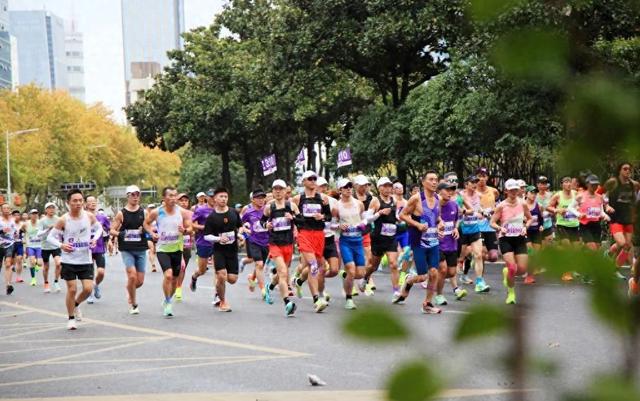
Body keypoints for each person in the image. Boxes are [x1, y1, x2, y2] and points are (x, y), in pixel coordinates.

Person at [47, 189, 103, 330]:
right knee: (72, 289)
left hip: (85, 259)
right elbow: (50, 237)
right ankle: (71, 318)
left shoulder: (89, 216)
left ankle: (76, 304)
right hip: (69, 260)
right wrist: (61, 245)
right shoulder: (64, 219)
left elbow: (99, 228)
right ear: (68, 203)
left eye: (80, 200)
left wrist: (94, 239)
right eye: (75, 201)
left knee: (88, 289)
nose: (78, 203)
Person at [394, 170, 443, 314]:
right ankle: (409, 280)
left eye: (436, 179)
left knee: (434, 273)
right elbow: (402, 215)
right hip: (418, 241)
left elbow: (437, 218)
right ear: (423, 182)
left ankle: (427, 303)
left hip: (433, 241)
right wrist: (417, 225)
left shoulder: (438, 199)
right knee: (422, 276)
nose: (434, 182)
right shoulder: (416, 199)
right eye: (431, 179)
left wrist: (440, 224)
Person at [144, 187, 192, 318]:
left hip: (177, 248)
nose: (173, 198)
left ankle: (167, 300)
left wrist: (185, 230)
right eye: (170, 196)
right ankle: (169, 302)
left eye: (175, 196)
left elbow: (190, 227)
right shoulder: (156, 212)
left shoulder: (182, 212)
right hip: (162, 249)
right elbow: (146, 223)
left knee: (175, 279)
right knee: (169, 275)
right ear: (164, 198)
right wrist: (151, 232)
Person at [291, 170, 332, 313]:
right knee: (313, 265)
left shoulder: (323, 199)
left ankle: (299, 282)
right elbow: (290, 215)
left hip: (319, 235)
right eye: (310, 179)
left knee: (319, 266)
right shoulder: (297, 199)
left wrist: (322, 217)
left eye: (315, 178)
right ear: (304, 182)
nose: (313, 181)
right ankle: (317, 300)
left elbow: (329, 217)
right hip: (304, 234)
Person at [490, 179, 533, 305]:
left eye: (516, 189)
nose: (514, 192)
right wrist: (499, 228)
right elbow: (491, 222)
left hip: (519, 238)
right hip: (505, 239)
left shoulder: (523, 204)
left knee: (522, 269)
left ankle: (506, 273)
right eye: (511, 190)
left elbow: (530, 219)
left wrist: (526, 227)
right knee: (512, 268)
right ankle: (511, 293)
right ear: (506, 191)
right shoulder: (501, 206)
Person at [202, 187, 244, 312]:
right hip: (219, 250)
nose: (224, 199)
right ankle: (222, 301)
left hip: (232, 250)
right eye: (221, 196)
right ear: (214, 199)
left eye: (225, 197)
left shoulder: (233, 212)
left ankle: (218, 287)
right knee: (221, 275)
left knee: (232, 279)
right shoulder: (211, 217)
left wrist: (240, 235)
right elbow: (206, 236)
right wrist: (218, 239)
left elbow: (240, 227)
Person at [262, 179, 300, 315]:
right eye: (275, 189)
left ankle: (270, 286)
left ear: (285, 191)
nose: (278, 191)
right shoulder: (269, 207)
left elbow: (301, 221)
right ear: (272, 191)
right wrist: (266, 225)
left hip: (288, 244)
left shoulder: (292, 206)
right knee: (283, 273)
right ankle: (287, 303)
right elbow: (262, 221)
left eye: (280, 189)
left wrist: (293, 218)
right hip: (275, 244)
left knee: (280, 273)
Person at [110, 185, 148, 314]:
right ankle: (134, 304)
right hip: (127, 249)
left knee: (140, 281)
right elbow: (112, 230)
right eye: (133, 194)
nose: (135, 197)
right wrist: (121, 234)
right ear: (127, 196)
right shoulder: (122, 213)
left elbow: (148, 227)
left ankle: (129, 289)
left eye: (137, 194)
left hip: (141, 248)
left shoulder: (144, 212)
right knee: (132, 275)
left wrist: (147, 231)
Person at [334, 178, 370, 310]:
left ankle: (349, 278)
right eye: (345, 187)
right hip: (346, 242)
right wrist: (338, 225)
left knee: (359, 273)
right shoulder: (336, 206)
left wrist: (363, 224)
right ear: (340, 190)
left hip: (358, 241)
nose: (349, 189)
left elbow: (366, 220)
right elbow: (331, 225)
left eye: (350, 186)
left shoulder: (359, 204)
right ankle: (349, 299)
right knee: (351, 269)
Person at [603, 163, 640, 276]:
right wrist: (607, 206)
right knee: (623, 244)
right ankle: (611, 259)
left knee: (627, 246)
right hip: (616, 219)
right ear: (619, 170)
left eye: (629, 169)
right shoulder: (613, 183)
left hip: (628, 219)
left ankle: (613, 266)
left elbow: (636, 201)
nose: (627, 171)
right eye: (625, 169)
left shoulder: (634, 184)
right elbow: (602, 196)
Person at [365, 177, 399, 299]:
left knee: (393, 264)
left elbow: (398, 214)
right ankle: (365, 278)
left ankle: (396, 291)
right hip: (378, 238)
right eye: (385, 186)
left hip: (391, 238)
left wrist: (399, 218)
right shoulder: (375, 201)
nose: (388, 188)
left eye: (389, 186)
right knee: (373, 266)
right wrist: (379, 213)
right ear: (379, 188)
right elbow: (367, 219)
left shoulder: (395, 201)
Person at [436, 182, 467, 304]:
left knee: (452, 272)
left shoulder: (454, 205)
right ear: (439, 191)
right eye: (447, 190)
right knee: (443, 270)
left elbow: (456, 221)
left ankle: (433, 278)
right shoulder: (433, 206)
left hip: (451, 244)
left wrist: (455, 229)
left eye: (452, 190)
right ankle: (439, 295)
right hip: (437, 244)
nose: (450, 192)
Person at [459, 176, 491, 292]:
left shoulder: (478, 195)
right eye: (472, 182)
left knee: (478, 255)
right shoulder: (460, 196)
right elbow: (460, 211)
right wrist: (471, 213)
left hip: (474, 229)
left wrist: (483, 212)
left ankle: (479, 282)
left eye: (475, 182)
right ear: (466, 184)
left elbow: (479, 209)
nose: (474, 184)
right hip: (462, 229)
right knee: (460, 257)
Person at [548, 176, 581, 281]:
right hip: (562, 225)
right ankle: (565, 273)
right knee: (568, 249)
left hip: (574, 225)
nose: (568, 184)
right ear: (562, 184)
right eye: (566, 182)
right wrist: (557, 210)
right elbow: (548, 207)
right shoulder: (558, 195)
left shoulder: (575, 194)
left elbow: (582, 203)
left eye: (570, 182)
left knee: (576, 250)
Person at [242, 189, 270, 299]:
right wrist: (245, 229)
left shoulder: (267, 211)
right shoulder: (248, 212)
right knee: (259, 264)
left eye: (263, 198)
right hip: (254, 241)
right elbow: (241, 223)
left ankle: (252, 278)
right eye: (258, 198)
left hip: (266, 241)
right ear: (253, 200)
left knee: (261, 265)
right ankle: (263, 290)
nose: (261, 200)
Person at [190, 189, 216, 293]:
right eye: (211, 196)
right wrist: (204, 227)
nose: (213, 198)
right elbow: (192, 224)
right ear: (206, 198)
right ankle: (194, 277)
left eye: (215, 196)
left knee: (218, 270)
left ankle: (217, 295)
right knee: (202, 270)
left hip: (217, 242)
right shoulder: (200, 210)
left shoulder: (221, 209)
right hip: (203, 242)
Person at [85, 195, 110, 304]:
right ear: (85, 204)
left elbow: (108, 230)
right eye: (90, 201)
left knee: (101, 272)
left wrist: (109, 242)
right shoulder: (82, 217)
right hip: (86, 249)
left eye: (94, 201)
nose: (93, 203)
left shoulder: (102, 217)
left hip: (99, 247)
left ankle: (95, 285)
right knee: (90, 273)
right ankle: (89, 294)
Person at [576, 175, 609, 251]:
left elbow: (601, 211)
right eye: (592, 184)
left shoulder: (599, 197)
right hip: (585, 225)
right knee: (593, 247)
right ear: (587, 184)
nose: (595, 186)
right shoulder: (581, 196)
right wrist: (579, 214)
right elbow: (570, 208)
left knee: (596, 248)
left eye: (596, 184)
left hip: (596, 225)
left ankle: (582, 253)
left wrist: (606, 216)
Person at [476, 167, 501, 263]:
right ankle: (480, 277)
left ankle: (473, 257)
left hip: (490, 226)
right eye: (479, 176)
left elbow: (499, 205)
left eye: (484, 176)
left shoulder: (494, 191)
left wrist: (492, 210)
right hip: (477, 226)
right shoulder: (473, 192)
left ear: (487, 177)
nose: (481, 179)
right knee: (481, 253)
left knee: (494, 257)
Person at [38, 202, 62, 293]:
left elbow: (63, 231)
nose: (51, 209)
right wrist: (48, 229)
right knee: (46, 267)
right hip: (45, 246)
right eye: (49, 208)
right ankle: (46, 283)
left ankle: (56, 282)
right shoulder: (42, 221)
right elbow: (39, 234)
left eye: (53, 208)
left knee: (58, 263)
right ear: (46, 210)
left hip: (56, 245)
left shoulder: (59, 219)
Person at [174, 193, 194, 301]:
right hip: (172, 244)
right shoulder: (171, 213)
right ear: (176, 202)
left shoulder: (191, 214)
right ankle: (174, 283)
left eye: (186, 201)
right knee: (176, 267)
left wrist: (188, 231)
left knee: (182, 267)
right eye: (181, 200)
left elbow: (193, 227)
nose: (184, 203)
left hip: (186, 244)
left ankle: (178, 287)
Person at [0, 204, 18, 295]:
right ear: (1, 210)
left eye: (8, 208)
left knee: (8, 264)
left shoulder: (12, 220)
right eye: (4, 208)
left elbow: (15, 230)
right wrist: (2, 231)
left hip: (10, 244)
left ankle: (8, 285)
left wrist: (16, 234)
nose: (6, 209)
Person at [24, 209, 43, 287]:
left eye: (36, 213)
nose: (35, 215)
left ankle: (36, 265)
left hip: (39, 246)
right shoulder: (26, 224)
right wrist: (23, 239)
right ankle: (33, 279)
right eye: (33, 213)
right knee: (31, 262)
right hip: (30, 246)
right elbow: (21, 231)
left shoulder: (41, 223)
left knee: (40, 263)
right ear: (30, 215)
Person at [536, 176, 555, 245]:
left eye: (545, 184)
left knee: (549, 247)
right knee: (539, 248)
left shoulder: (551, 195)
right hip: (537, 226)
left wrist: (551, 213)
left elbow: (554, 209)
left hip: (548, 225)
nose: (543, 186)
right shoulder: (534, 196)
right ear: (537, 184)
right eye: (541, 183)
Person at [11, 210, 25, 283]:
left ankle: (18, 277)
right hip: (11, 244)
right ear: (12, 216)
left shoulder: (22, 224)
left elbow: (27, 233)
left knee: (19, 259)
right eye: (15, 215)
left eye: (18, 215)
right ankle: (12, 266)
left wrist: (24, 239)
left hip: (19, 243)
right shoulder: (10, 224)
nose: (17, 216)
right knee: (11, 261)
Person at [146, 204, 158, 272]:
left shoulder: (158, 216)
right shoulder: (146, 217)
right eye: (150, 208)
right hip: (149, 235)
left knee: (155, 251)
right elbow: (144, 225)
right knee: (151, 249)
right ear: (148, 209)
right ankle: (153, 265)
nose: (152, 209)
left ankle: (153, 260)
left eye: (153, 208)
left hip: (158, 235)